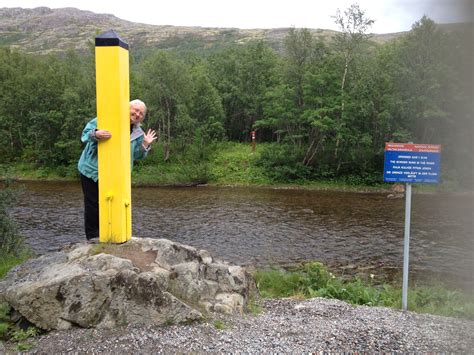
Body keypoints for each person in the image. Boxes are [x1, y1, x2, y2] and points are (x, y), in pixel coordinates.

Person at [77, 99, 157, 241]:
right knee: (92, 204)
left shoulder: (138, 133)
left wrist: (145, 144)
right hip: (91, 170)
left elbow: (137, 156)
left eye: (141, 113)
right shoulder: (106, 119)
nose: (137, 114)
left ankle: (112, 234)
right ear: (127, 108)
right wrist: (96, 134)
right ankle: (93, 238)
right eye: (135, 110)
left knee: (113, 203)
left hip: (116, 174)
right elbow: (85, 135)